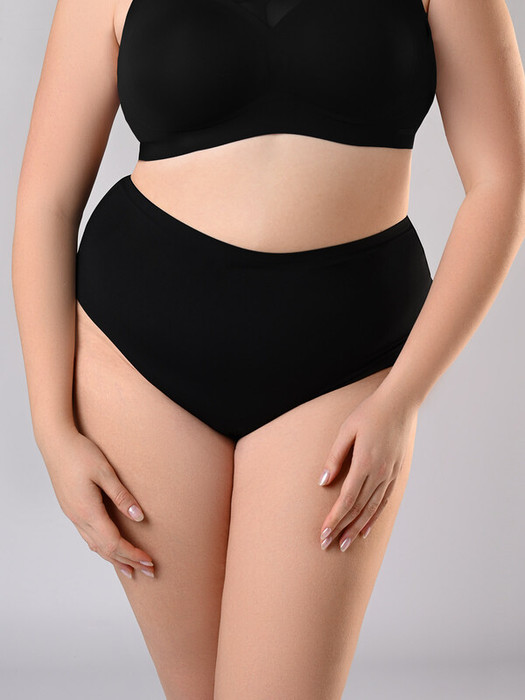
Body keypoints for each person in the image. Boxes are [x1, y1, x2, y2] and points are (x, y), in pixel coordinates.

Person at [11, 1, 525, 698]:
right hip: (139, 355)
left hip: (346, 365)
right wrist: (51, 429)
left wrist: (402, 399)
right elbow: (44, 203)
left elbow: (501, 184)